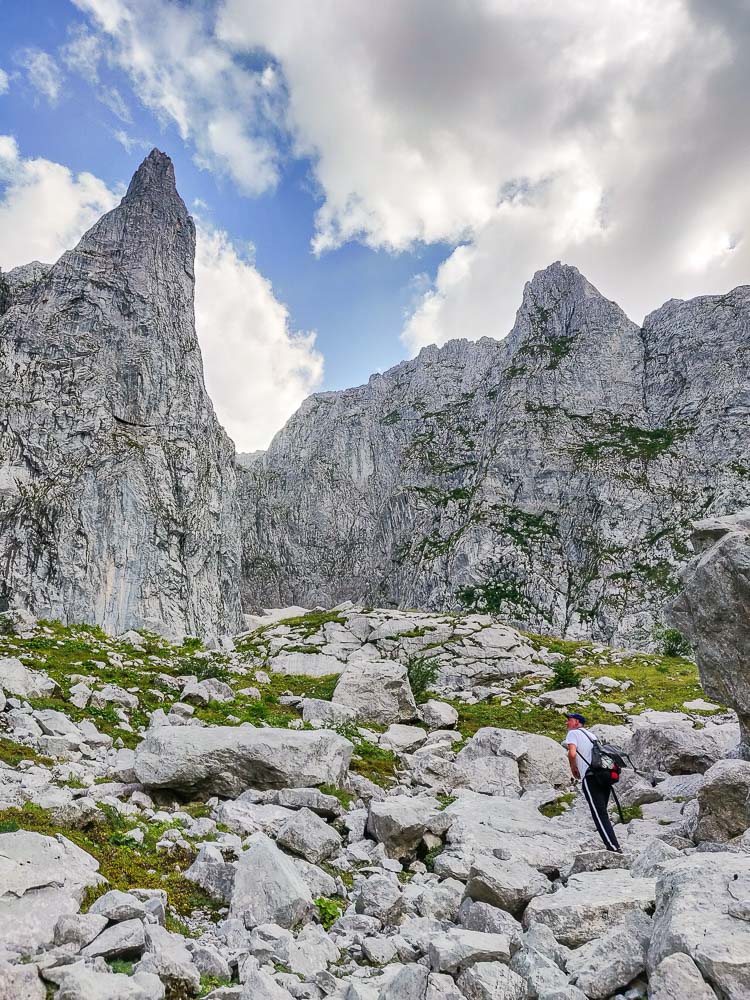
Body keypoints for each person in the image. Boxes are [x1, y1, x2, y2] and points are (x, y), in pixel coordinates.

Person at [564, 712, 622, 853]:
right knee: (603, 812)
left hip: (590, 777)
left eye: (569, 720)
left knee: (599, 814)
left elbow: (572, 753)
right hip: (604, 775)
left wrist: (573, 768)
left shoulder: (573, 734)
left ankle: (613, 847)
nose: (567, 723)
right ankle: (614, 844)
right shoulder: (592, 736)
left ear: (577, 722)